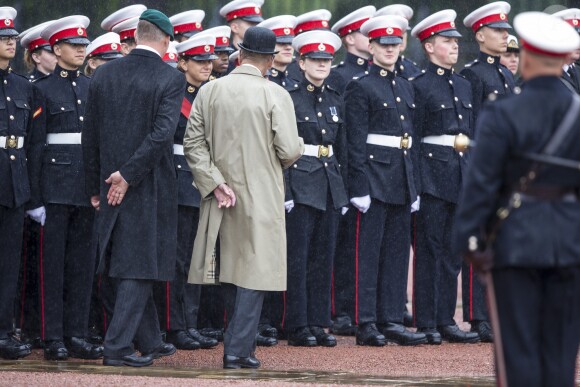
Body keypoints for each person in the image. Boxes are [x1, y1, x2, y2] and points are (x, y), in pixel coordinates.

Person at [454, 12, 580, 387]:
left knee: (517, 356)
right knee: (561, 356)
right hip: (572, 242)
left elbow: (481, 182)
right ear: (564, 60)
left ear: (524, 58)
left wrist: (469, 239)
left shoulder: (503, 112)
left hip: (515, 241)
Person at [183, 26, 303, 369]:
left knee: (227, 270)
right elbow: (289, 148)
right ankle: (237, 349)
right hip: (261, 194)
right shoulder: (276, 94)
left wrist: (214, 181)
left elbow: (193, 144)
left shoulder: (209, 90)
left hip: (218, 195)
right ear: (268, 60)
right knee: (255, 273)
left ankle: (237, 343)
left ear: (240, 54)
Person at [83, 9, 182, 367]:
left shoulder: (104, 74)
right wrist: (128, 175)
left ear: (136, 35)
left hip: (108, 182)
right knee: (139, 267)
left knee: (117, 262)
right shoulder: (169, 78)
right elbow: (161, 136)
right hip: (146, 184)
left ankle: (150, 340)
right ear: (166, 39)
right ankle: (118, 348)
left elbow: (89, 136)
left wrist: (96, 184)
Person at [343, 15, 426, 347]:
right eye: (383, 44)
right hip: (374, 180)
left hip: (401, 179)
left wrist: (414, 185)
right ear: (371, 47)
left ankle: (391, 318)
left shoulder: (406, 85)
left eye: (395, 44)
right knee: (368, 254)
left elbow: (411, 140)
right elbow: (354, 142)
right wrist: (358, 186)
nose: (390, 49)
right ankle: (366, 322)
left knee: (395, 255)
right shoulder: (360, 86)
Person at [34, 15, 103, 361]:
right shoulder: (42, 90)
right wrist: (35, 197)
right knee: (53, 267)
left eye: (83, 46)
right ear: (56, 49)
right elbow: (35, 148)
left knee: (81, 265)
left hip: (85, 190)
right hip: (54, 190)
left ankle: (76, 332)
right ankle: (52, 336)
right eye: (73, 46)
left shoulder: (92, 88)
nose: (80, 50)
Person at [410, 10, 479, 345]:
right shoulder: (419, 87)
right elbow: (415, 138)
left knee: (453, 251)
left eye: (455, 41)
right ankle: (426, 321)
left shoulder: (464, 85)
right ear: (429, 47)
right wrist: (417, 183)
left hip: (459, 172)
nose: (454, 46)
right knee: (429, 249)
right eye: (446, 41)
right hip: (432, 175)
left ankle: (444, 319)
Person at [155, 32, 219, 352]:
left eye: (210, 60)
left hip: (203, 184)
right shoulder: (173, 93)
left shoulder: (211, 95)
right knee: (177, 259)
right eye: (200, 60)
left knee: (199, 261)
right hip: (177, 182)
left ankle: (190, 323)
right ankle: (173, 325)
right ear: (182, 63)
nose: (207, 65)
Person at [283, 30, 347, 348]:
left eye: (326, 60)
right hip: (300, 181)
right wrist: (285, 192)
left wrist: (344, 191)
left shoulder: (335, 98)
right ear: (302, 61)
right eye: (316, 59)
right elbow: (279, 150)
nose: (322, 64)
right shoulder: (289, 97)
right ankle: (297, 324)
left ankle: (319, 322)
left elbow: (342, 148)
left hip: (329, 183)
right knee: (299, 257)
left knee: (324, 258)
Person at [460, 1, 517, 342]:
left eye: (506, 30)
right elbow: (469, 128)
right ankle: (478, 315)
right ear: (480, 35)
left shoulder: (506, 74)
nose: (504, 36)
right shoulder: (473, 74)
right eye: (498, 31)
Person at [328, 5, 375, 337]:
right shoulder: (340, 75)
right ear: (348, 38)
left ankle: (357, 306)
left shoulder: (372, 74)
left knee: (359, 245)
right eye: (364, 32)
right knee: (343, 246)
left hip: (367, 169)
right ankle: (341, 308)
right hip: (342, 168)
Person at [0, 6, 43, 361]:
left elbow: (28, 138)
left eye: (13, 37)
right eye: (4, 38)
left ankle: (4, 330)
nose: (11, 42)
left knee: (9, 262)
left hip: (14, 182)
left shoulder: (20, 85)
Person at [375, 4, 422, 80]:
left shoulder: (411, 68)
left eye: (404, 32)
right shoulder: (370, 68)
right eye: (395, 34)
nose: (401, 38)